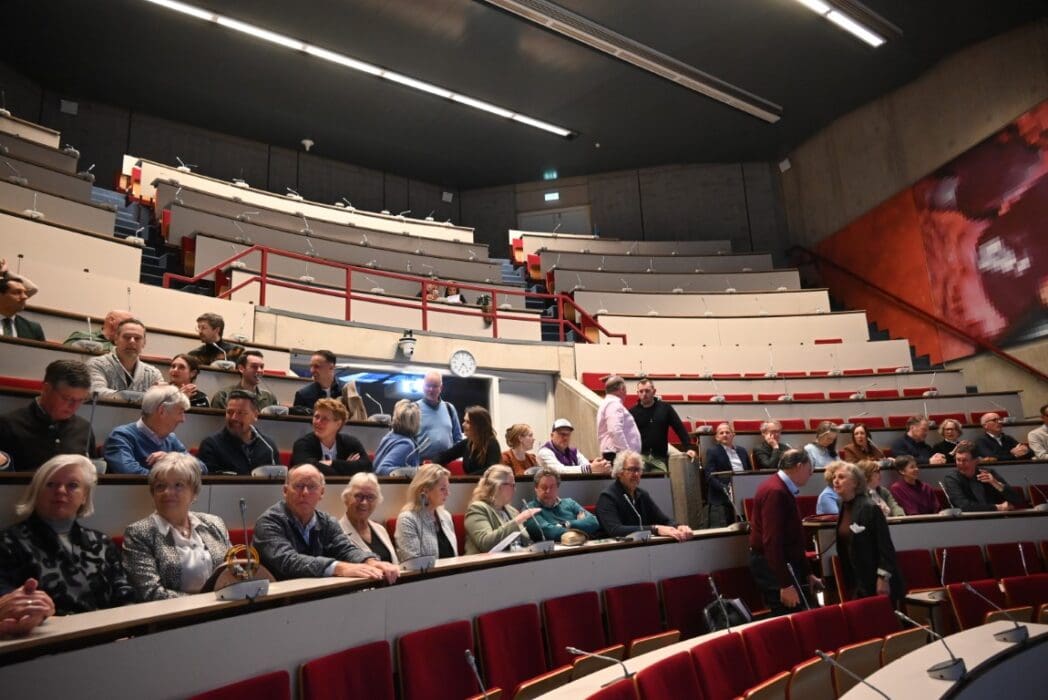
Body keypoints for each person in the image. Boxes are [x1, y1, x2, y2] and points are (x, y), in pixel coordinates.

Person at [0, 455, 134, 614]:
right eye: (50, 484)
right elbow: (7, 601)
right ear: (36, 492)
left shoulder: (102, 542)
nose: (60, 491)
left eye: (72, 485)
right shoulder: (8, 542)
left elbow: (125, 594)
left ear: (84, 496)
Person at [253, 464, 399, 582]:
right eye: (298, 486)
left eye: (312, 487)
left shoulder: (327, 521)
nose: (305, 492)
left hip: (321, 596)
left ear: (321, 493)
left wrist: (369, 561)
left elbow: (346, 549)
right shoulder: (268, 522)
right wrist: (338, 567)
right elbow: (288, 561)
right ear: (285, 491)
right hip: (280, 601)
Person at [121, 454, 232, 600]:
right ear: (153, 493)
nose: (167, 492)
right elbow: (151, 593)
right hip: (174, 613)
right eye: (160, 486)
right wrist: (208, 600)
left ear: (194, 493)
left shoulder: (214, 523)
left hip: (224, 607)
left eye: (178, 485)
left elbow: (233, 571)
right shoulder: (139, 533)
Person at [748, 449, 822, 616]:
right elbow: (771, 541)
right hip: (773, 567)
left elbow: (793, 536)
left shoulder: (780, 487)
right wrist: (785, 584)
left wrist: (808, 573)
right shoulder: (776, 491)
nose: (811, 473)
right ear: (799, 466)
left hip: (782, 564)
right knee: (788, 616)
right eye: (809, 468)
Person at [0, 359, 95, 471]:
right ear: (47, 389)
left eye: (81, 400)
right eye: (68, 398)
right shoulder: (8, 425)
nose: (75, 406)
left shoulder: (84, 428)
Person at [832, 462, 903, 603]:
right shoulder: (842, 505)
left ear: (855, 483)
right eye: (834, 477)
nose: (835, 481)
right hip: (855, 580)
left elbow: (885, 547)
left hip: (875, 580)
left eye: (841, 477)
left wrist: (883, 578)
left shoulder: (869, 507)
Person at [104, 385, 204, 475]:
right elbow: (130, 473)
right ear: (162, 411)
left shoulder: (171, 439)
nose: (183, 419)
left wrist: (172, 460)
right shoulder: (121, 436)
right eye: (180, 413)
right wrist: (173, 472)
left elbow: (201, 468)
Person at [596, 451, 692, 540]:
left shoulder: (642, 495)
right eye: (631, 469)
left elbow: (663, 520)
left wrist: (678, 526)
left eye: (638, 470)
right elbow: (615, 530)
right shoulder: (607, 497)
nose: (636, 474)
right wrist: (654, 529)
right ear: (619, 472)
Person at [198, 391, 281, 475]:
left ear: (255, 415)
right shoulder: (211, 446)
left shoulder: (268, 447)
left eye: (241, 413)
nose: (234, 418)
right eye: (230, 412)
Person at [463, 465, 539, 554]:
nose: (515, 490)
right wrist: (517, 521)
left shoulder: (512, 511)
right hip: (484, 562)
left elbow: (526, 541)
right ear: (498, 486)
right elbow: (485, 544)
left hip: (512, 560)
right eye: (512, 485)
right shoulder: (477, 509)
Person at [291, 398, 372, 476]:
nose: (318, 422)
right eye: (316, 417)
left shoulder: (350, 443)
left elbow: (367, 466)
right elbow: (308, 470)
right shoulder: (302, 444)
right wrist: (347, 467)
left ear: (338, 424)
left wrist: (332, 463)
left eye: (325, 419)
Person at [85, 318, 163, 400]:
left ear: (144, 343)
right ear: (116, 339)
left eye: (137, 338)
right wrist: (143, 396)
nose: (132, 341)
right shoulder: (96, 364)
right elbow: (96, 392)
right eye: (127, 337)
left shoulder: (153, 374)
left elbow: (163, 398)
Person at [629, 378, 694, 471]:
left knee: (661, 478)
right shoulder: (632, 412)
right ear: (637, 393)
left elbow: (679, 428)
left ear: (654, 391)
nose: (644, 394)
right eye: (641, 391)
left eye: (647, 391)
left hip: (659, 458)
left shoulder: (665, 408)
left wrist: (688, 448)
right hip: (640, 457)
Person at [394, 464, 457, 561]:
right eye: (442, 489)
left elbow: (455, 557)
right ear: (425, 491)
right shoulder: (407, 519)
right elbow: (412, 562)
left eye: (448, 488)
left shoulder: (446, 516)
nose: (448, 493)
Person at [524, 467, 601, 542]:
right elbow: (547, 532)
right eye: (544, 487)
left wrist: (567, 524)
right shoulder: (529, 509)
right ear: (536, 488)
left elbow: (594, 522)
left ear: (557, 487)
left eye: (552, 487)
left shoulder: (570, 503)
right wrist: (580, 526)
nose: (548, 491)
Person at [942, 442, 1024, 512]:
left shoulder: (988, 473)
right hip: (969, 521)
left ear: (976, 461)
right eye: (958, 460)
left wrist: (996, 484)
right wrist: (997, 507)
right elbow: (964, 506)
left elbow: (1017, 500)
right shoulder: (952, 479)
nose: (960, 464)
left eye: (965, 460)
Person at [339, 473, 397, 565]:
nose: (364, 502)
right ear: (346, 498)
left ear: (377, 501)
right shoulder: (337, 532)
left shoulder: (380, 529)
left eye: (370, 497)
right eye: (358, 496)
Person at [704, 423, 751, 527]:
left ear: (733, 435)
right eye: (721, 433)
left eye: (727, 432)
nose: (725, 435)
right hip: (723, 493)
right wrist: (726, 488)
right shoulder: (712, 451)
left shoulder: (742, 451)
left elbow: (749, 471)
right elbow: (710, 476)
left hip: (743, 489)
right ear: (717, 437)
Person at [435, 405, 501, 475]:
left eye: (468, 422)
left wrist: (465, 478)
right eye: (464, 421)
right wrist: (432, 465)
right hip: (468, 481)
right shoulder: (468, 442)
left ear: (478, 426)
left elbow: (491, 470)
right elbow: (444, 456)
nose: (463, 424)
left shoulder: (492, 444)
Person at [415, 371, 461, 461]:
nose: (431, 389)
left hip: (447, 464)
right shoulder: (414, 409)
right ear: (423, 386)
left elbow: (458, 438)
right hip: (422, 464)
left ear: (441, 388)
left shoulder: (449, 408)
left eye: (435, 386)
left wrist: (455, 458)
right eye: (428, 385)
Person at [535, 419, 610, 474]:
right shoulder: (544, 452)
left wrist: (599, 466)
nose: (565, 438)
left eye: (568, 434)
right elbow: (560, 471)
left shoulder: (573, 451)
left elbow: (587, 465)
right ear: (552, 435)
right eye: (562, 434)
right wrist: (590, 468)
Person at [210, 350, 278, 410]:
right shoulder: (223, 396)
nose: (259, 370)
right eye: (254, 366)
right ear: (241, 369)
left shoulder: (270, 398)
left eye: (262, 367)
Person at [596, 375, 641, 462]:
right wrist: (627, 454)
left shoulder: (609, 403)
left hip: (616, 453)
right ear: (622, 388)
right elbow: (615, 430)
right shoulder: (613, 404)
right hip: (617, 454)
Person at [373, 399, 421, 476]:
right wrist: (415, 471)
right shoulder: (406, 444)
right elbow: (382, 470)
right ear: (415, 422)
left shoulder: (390, 436)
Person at [62, 309, 133, 352]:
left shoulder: (128, 345)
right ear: (111, 320)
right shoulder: (82, 336)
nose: (130, 326)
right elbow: (64, 354)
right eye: (127, 321)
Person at [0, 272, 44, 340]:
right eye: (17, 292)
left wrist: (6, 272)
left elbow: (33, 288)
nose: (25, 297)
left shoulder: (33, 329)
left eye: (24, 292)